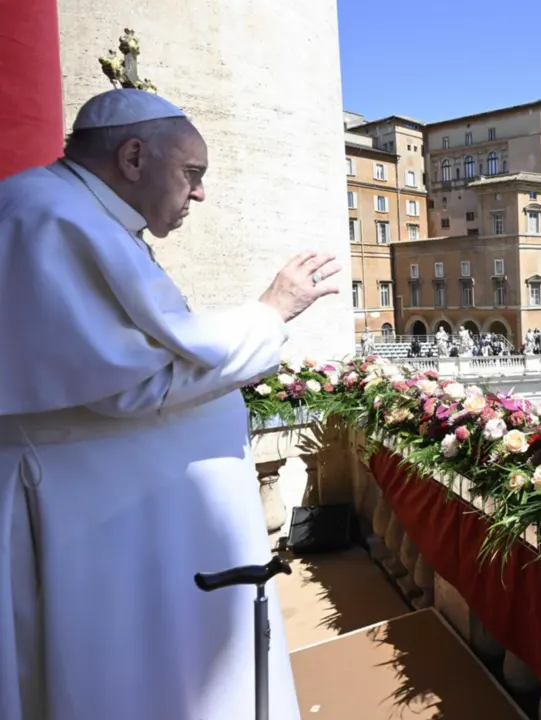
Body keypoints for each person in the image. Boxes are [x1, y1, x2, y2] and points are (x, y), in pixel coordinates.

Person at [0, 89, 338, 720]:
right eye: (193, 174)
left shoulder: (67, 211)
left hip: (109, 509)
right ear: (133, 156)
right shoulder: (51, 217)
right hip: (88, 518)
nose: (200, 194)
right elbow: (133, 384)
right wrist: (271, 312)